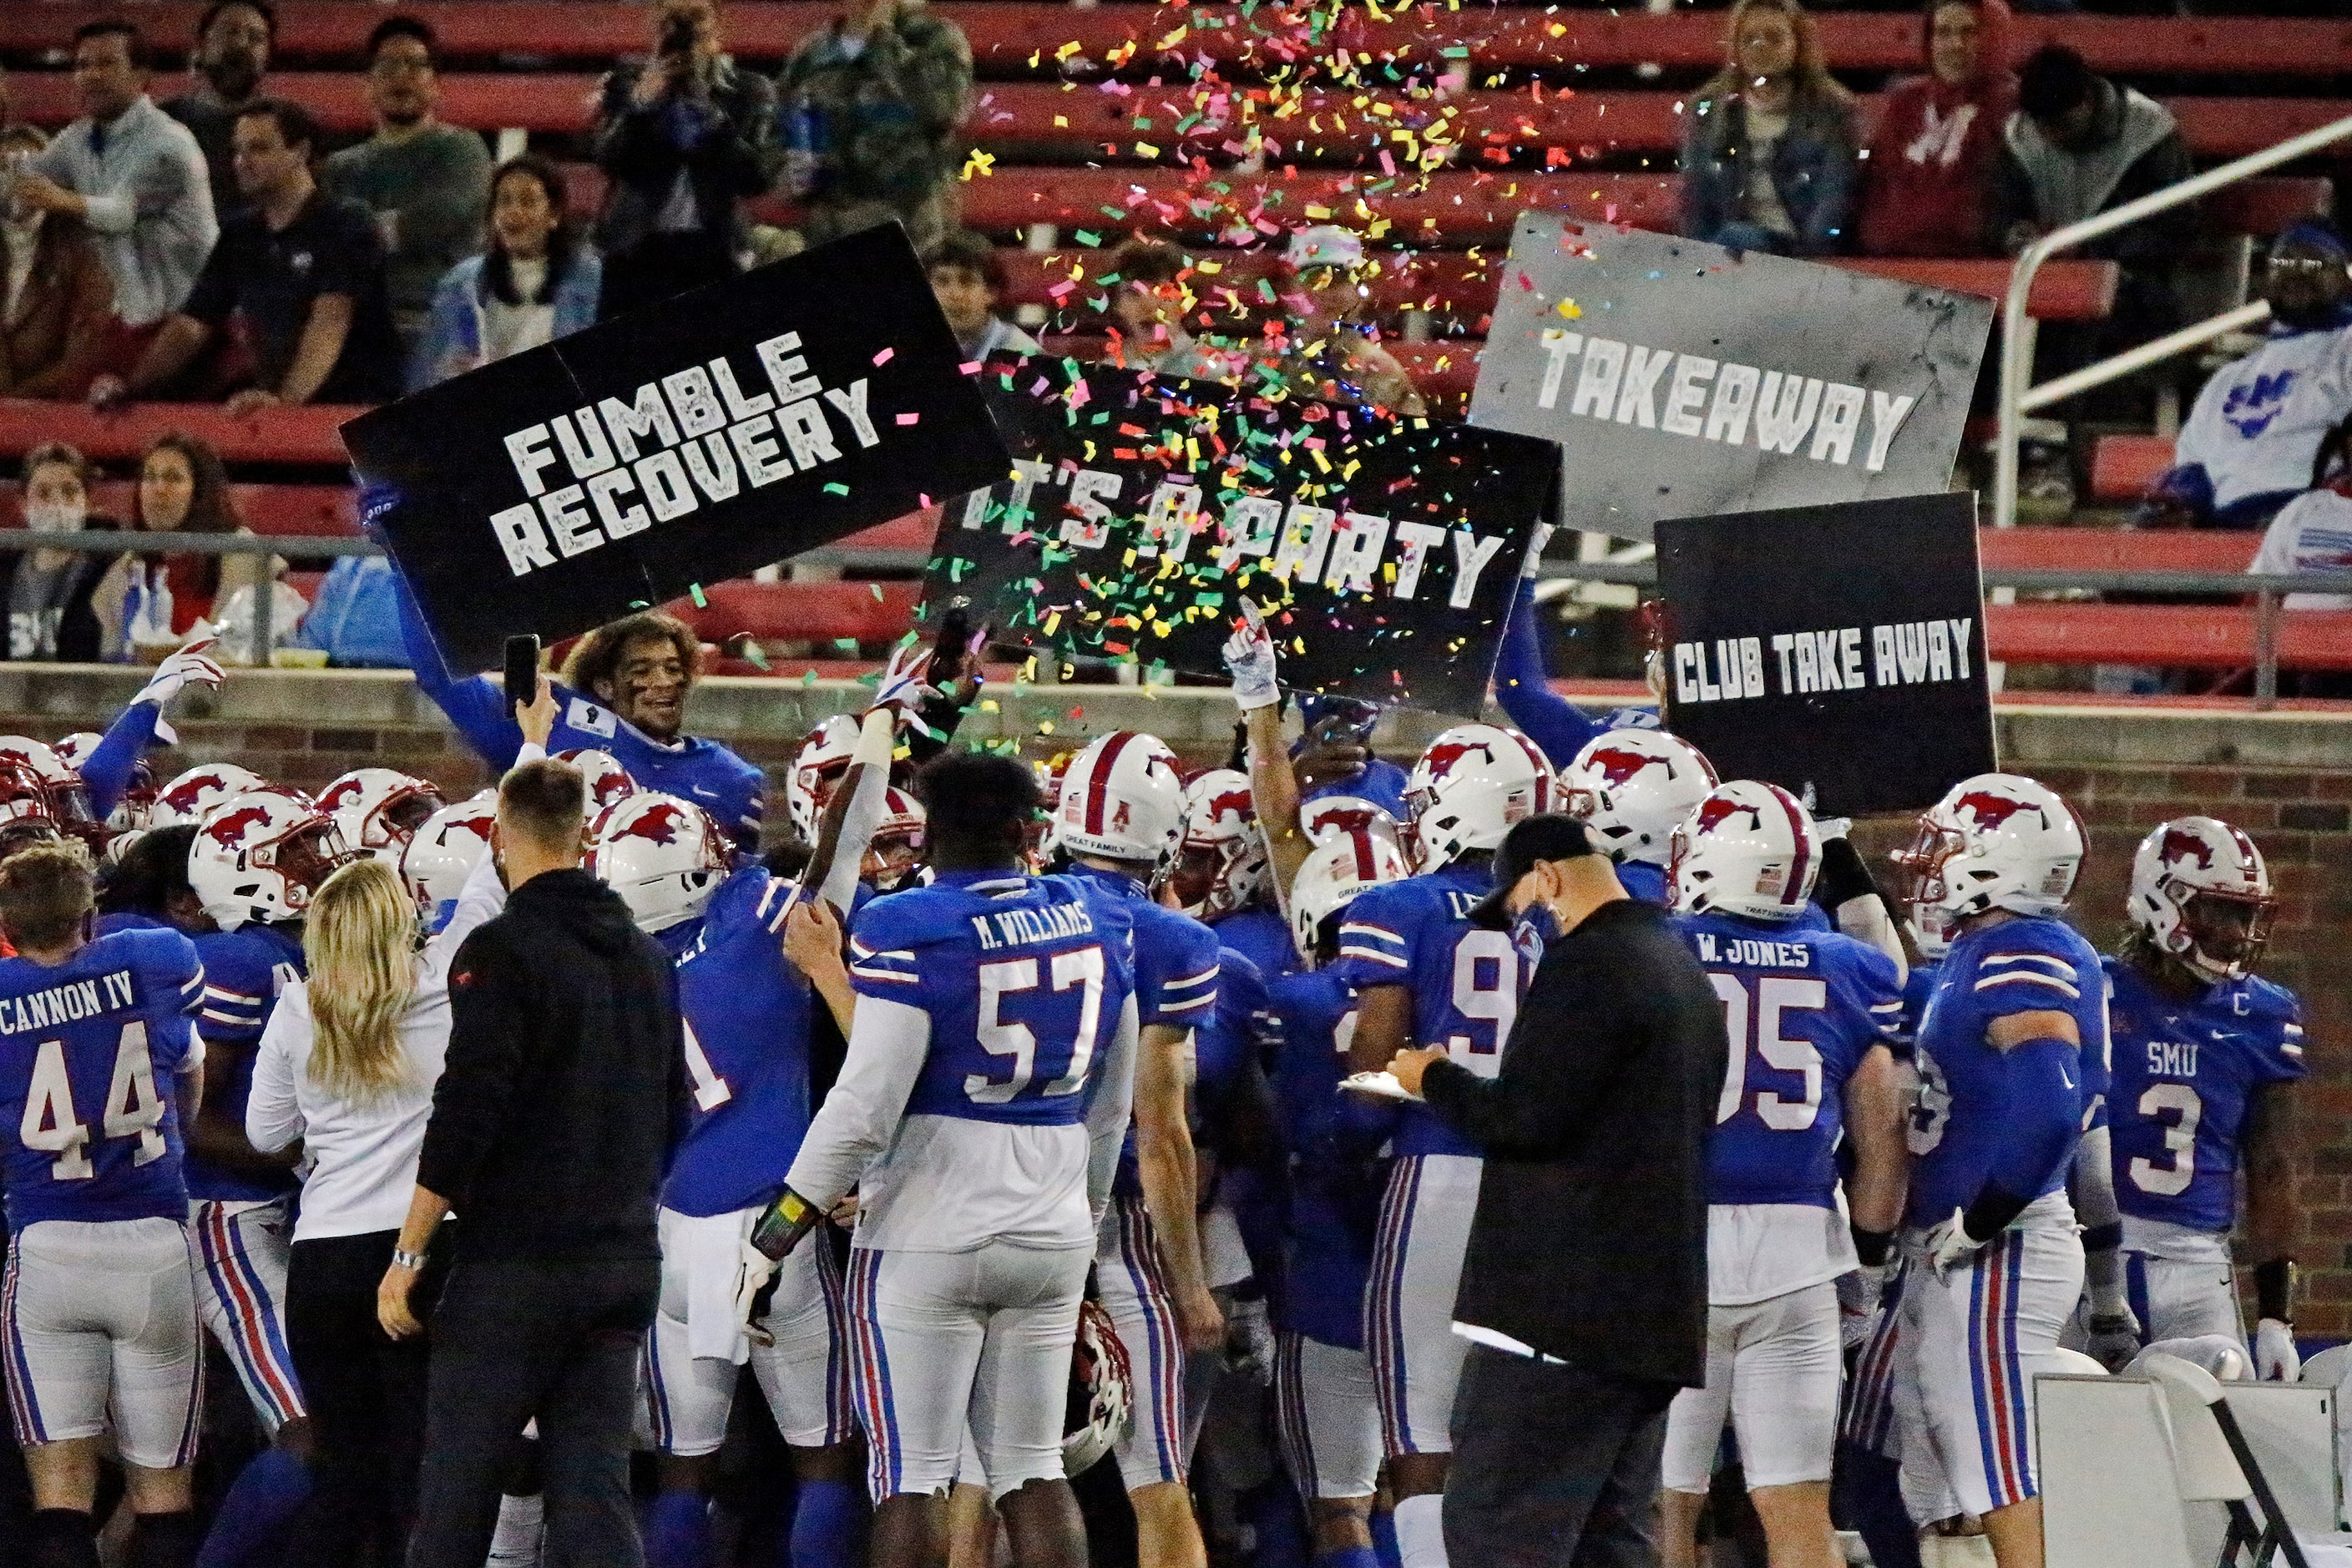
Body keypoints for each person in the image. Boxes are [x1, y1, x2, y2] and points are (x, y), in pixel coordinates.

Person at [742, 749, 1141, 1568]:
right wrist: (1087, 1218)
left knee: (914, 1474)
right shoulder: (1093, 915)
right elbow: (1114, 1098)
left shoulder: (908, 924)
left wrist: (778, 1229)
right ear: (1027, 830)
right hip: (1054, 1212)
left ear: (930, 836)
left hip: (930, 1218)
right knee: (1031, 1467)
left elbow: (864, 1104)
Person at [1380, 812, 1723, 1568]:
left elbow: (1523, 1118)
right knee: (1609, 1543)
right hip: (1652, 1319)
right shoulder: (1677, 966)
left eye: (1515, 908)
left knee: (1498, 1533)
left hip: (1560, 1317)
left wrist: (1429, 1076)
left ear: (1546, 878)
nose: (1521, 930)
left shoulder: (1589, 965)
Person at [382, 752, 686, 1568]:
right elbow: (673, 1108)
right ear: (586, 836)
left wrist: (409, 1251)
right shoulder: (648, 956)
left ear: (497, 837)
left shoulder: (502, 948)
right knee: (594, 1497)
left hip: (518, 1266)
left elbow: (469, 1106)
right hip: (622, 1260)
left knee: (456, 1494)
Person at [584, 785, 866, 1568]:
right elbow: (837, 862)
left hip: (676, 1226)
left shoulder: (606, 962)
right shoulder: (752, 915)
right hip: (779, 1218)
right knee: (824, 1455)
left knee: (684, 1469)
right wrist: (874, 751)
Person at [1320, 710, 1557, 1568]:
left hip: (1442, 1174)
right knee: (1533, 1434)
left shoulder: (1400, 905)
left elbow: (1378, 1058)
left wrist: (1348, 1148)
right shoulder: (1587, 916)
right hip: (1554, 1187)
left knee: (1422, 1426)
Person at [1657, 781, 1909, 1568]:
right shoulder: (1845, 968)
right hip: (1801, 1258)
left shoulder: (1654, 953)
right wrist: (1866, 1264)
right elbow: (1883, 1146)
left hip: (1671, 1255)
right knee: (1798, 1511)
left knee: (1666, 1508)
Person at [1860, 773, 2102, 1568]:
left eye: (1950, 846)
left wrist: (1983, 1216)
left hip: (2002, 1244)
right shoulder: (1982, 949)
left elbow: (2052, 1108)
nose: (1932, 863)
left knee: (1990, 1461)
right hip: (1961, 1243)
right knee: (1934, 1466)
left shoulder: (2021, 950)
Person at [245, 835, 505, 1568]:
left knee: (344, 1478)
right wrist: (532, 744)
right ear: (405, 924)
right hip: (426, 1249)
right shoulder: (446, 987)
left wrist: (330, 1144)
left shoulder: (298, 1007)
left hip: (324, 1257)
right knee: (419, 1481)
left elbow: (266, 1134)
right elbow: (489, 881)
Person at [0, 839, 210, 1568]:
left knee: (60, 1494)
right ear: (88, 913)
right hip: (153, 1240)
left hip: (46, 1245)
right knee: (164, 1495)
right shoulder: (155, 959)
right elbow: (188, 1078)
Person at [1051, 731, 1226, 1568]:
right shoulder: (1174, 940)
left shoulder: (1010, 905)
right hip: (1114, 1226)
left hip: (995, 1204)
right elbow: (1159, 1132)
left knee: (974, 1478)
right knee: (1158, 1476)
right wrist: (1191, 1286)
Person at [2097, 817, 2305, 1378]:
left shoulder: (2262, 1013)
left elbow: (2272, 1166)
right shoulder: (2091, 991)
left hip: (2196, 1259)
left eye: (2246, 913)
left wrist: (2276, 1317)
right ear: (2165, 901)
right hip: (2089, 1250)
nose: (2238, 932)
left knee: (2208, 1430)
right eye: (2220, 911)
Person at [393, 579, 767, 850]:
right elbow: (440, 675)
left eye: (673, 668)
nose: (663, 682)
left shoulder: (730, 777)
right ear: (604, 686)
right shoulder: (553, 724)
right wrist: (401, 552)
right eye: (642, 670)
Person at [98, 99, 404, 412]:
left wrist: (285, 405)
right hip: (279, 407)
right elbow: (192, 325)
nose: (242, 161)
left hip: (356, 409)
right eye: (238, 150)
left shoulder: (346, 222)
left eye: (259, 149)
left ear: (300, 152)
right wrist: (130, 388)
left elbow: (329, 324)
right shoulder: (240, 233)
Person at [17, 22, 216, 385]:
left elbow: (122, 214)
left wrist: (60, 198)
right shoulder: (78, 137)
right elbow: (24, 179)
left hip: (194, 326)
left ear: (141, 75)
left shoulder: (169, 143)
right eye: (81, 65)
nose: (89, 75)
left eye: (105, 64)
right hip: (134, 323)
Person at [2139, 223, 2352, 534]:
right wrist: (2180, 501)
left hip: (2310, 523)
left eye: (2313, 262)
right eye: (2283, 263)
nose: (2296, 272)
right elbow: (2194, 465)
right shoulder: (2229, 377)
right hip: (2225, 528)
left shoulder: (2346, 346)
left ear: (2346, 279)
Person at [590, 0, 778, 321]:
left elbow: (756, 178)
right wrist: (642, 105)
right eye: (673, 20)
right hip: (636, 247)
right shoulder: (626, 82)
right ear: (655, 23)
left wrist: (712, 116)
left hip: (715, 247)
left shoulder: (748, 89)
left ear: (717, 25)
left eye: (695, 18)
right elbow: (610, 160)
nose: (684, 31)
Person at [321, 17, 493, 356]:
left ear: (435, 84)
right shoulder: (340, 165)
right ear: (367, 84)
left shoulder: (462, 148)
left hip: (435, 315)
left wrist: (361, 233)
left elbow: (438, 220)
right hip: (355, 321)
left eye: (415, 65)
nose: (401, 76)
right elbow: (329, 243)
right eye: (387, 66)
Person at [776, 0, 973, 256]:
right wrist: (797, 177)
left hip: (918, 234)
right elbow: (787, 134)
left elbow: (940, 110)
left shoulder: (934, 38)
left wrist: (881, 38)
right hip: (834, 230)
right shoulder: (813, 52)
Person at [1679, 0, 1860, 258]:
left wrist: (1803, 259)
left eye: (1774, 38)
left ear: (1797, 45)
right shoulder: (1708, 109)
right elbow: (1696, 202)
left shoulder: (1833, 109)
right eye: (1749, 38)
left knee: (1737, 238)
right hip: (1727, 250)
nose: (1760, 46)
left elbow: (1834, 205)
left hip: (1802, 251)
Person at [412, 154, 602, 390]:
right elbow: (426, 379)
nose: (514, 211)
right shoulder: (461, 283)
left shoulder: (591, 279)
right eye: (504, 201)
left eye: (528, 201)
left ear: (554, 216)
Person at [1857, 0, 2017, 259]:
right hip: (1890, 262)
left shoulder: (2012, 105)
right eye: (1943, 32)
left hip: (1976, 266)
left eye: (1969, 32)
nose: (1955, 45)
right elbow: (1878, 184)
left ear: (1994, 37)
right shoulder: (1905, 101)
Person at [92, 432, 272, 660]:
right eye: (149, 477)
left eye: (173, 478)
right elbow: (111, 658)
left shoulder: (243, 556)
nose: (158, 489)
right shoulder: (127, 568)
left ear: (201, 493)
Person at [0, 124, 115, 399]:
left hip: (52, 409)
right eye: (5, 169)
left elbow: (84, 359)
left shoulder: (86, 248)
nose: (17, 181)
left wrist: (12, 405)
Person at [1272, 227, 1426, 415]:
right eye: (1313, 278)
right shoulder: (1256, 365)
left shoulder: (1382, 372)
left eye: (1340, 279)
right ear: (1289, 289)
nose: (1328, 293)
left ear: (1360, 293)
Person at [159, 0, 276, 222]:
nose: (242, 44)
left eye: (256, 38)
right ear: (202, 45)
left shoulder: (288, 121)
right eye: (230, 32)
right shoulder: (163, 121)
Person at [4, 443, 119, 664]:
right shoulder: (4, 574)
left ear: (88, 502)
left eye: (69, 492)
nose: (58, 503)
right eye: (44, 493)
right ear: (23, 504)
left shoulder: (107, 573)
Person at [928, 230, 1039, 362]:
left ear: (991, 292)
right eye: (942, 281)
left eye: (967, 282)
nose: (955, 294)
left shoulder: (1021, 351)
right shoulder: (915, 344)